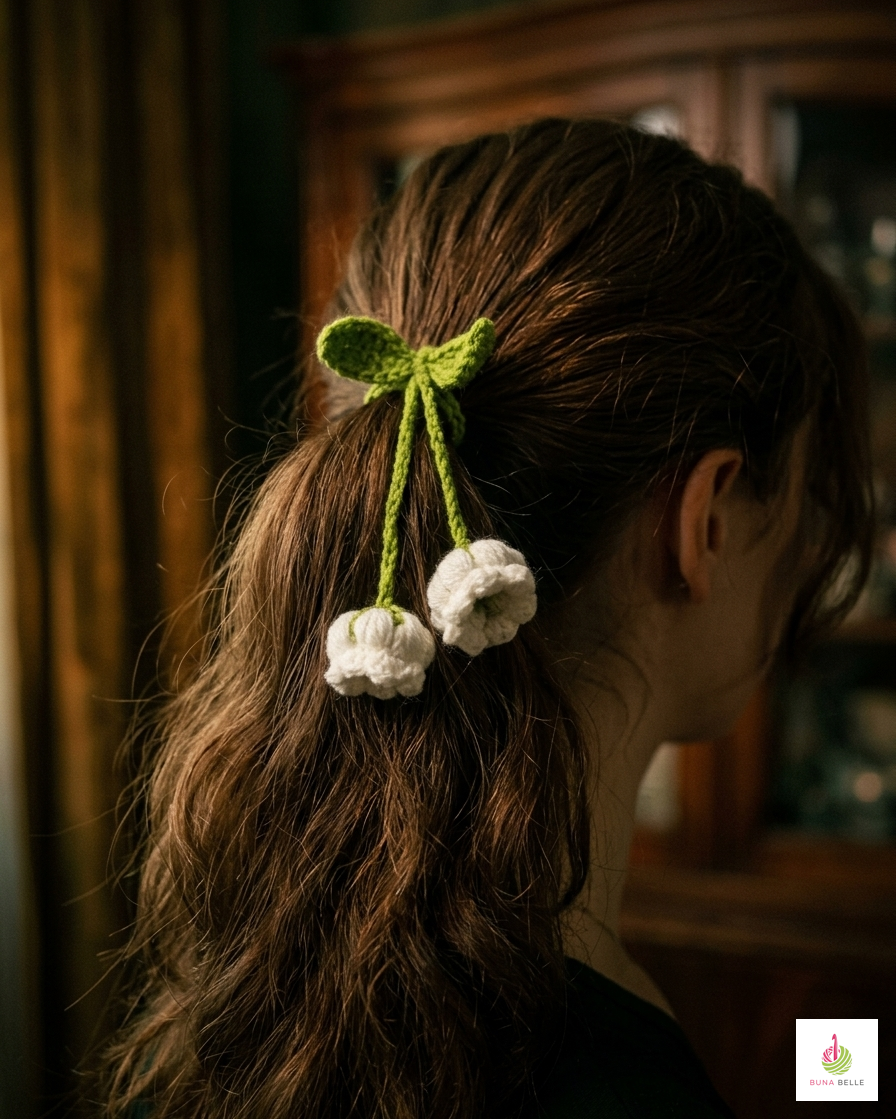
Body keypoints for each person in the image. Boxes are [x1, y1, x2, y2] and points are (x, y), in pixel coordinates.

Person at [103, 119, 872, 1118]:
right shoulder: (609, 1076)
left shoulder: (272, 957)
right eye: (811, 492)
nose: (813, 544)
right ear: (707, 519)